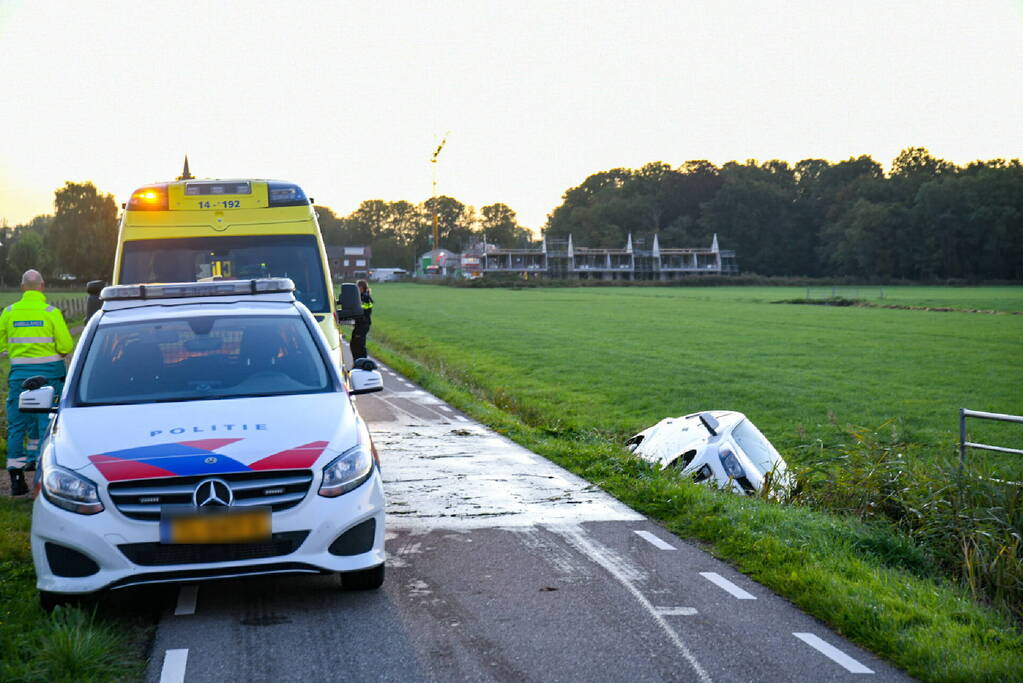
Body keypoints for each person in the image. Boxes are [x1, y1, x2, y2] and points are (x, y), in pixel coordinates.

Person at [1, 270, 74, 495]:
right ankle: (44, 475)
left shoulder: (9, 312)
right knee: (47, 423)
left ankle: (16, 479)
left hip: (19, 377)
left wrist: (15, 352)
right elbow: (66, 346)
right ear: (42, 286)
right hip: (50, 376)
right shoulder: (51, 312)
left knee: (17, 425)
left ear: (23, 287)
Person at [350, 279, 374, 361]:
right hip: (360, 324)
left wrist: (359, 310)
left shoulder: (365, 297)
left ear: (362, 287)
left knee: (358, 345)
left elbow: (367, 311)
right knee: (354, 344)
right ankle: (357, 362)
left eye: (358, 287)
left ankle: (362, 362)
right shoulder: (360, 297)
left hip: (363, 324)